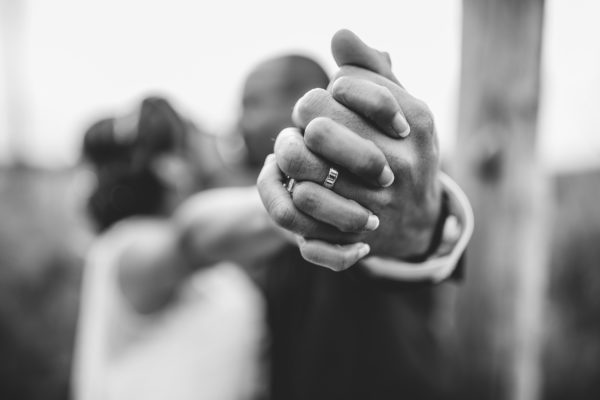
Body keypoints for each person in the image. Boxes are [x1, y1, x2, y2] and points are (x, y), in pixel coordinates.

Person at [177, 30, 473, 399]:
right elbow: (192, 229)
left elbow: (423, 227)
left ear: (306, 99)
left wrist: (419, 221)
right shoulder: (259, 203)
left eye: (251, 103)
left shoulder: (373, 185)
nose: (239, 123)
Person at [72, 96, 266, 400]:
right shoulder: (130, 247)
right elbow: (192, 239)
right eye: (195, 140)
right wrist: (285, 203)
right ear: (170, 168)